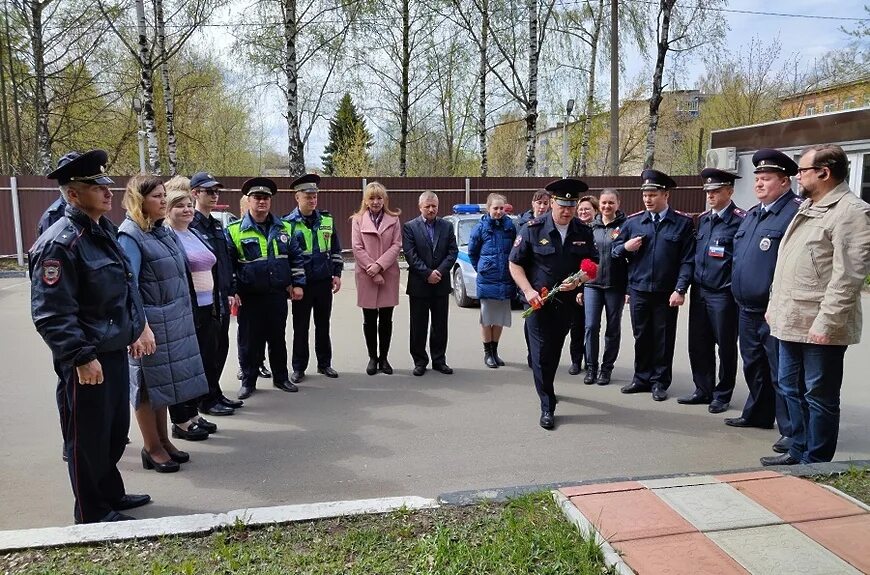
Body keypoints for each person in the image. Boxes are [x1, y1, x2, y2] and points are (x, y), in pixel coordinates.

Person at [30, 149, 150, 524]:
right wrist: (80, 356)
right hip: (88, 359)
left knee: (114, 433)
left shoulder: (104, 233)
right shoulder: (60, 243)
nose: (107, 191)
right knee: (87, 440)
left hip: (113, 350)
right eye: (95, 185)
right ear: (72, 193)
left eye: (106, 184)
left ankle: (111, 493)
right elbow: (51, 312)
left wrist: (133, 328)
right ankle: (92, 513)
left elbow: (124, 288)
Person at [761, 144, 870, 466]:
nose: (797, 176)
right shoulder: (809, 206)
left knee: (818, 394)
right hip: (790, 318)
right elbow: (789, 265)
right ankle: (797, 450)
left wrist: (827, 322)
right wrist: (773, 305)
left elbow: (848, 276)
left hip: (818, 323)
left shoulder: (852, 212)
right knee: (789, 387)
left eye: (802, 170)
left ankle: (817, 461)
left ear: (824, 173)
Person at [118, 176, 210, 469]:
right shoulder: (130, 235)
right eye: (156, 196)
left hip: (172, 320)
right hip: (149, 326)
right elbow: (128, 287)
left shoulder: (162, 231)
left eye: (162, 195)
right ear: (139, 201)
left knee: (163, 385)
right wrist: (139, 327)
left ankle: (164, 441)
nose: (162, 200)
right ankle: (151, 447)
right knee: (146, 387)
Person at [726, 149, 802, 455]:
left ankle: (790, 430)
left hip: (774, 309)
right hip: (747, 307)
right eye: (757, 178)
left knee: (781, 372)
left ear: (784, 182)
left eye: (766, 178)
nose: (758, 184)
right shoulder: (754, 213)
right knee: (754, 364)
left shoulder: (794, 213)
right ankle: (757, 414)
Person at [509, 178, 597, 430]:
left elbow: (594, 267)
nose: (567, 210)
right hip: (538, 303)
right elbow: (514, 263)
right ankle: (547, 404)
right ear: (551, 203)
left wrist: (579, 280)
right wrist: (527, 291)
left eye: (571, 205)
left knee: (554, 351)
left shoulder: (583, 231)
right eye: (562, 205)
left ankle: (547, 385)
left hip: (566, 304)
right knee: (541, 355)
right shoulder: (532, 228)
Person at [612, 169, 694, 402]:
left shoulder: (682, 223)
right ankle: (641, 378)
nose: (647, 199)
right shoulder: (633, 222)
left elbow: (687, 260)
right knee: (642, 335)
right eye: (645, 195)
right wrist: (626, 247)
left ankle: (659, 381)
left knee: (663, 337)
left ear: (665, 195)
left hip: (666, 292)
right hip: (639, 290)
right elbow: (615, 252)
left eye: (653, 194)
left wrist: (680, 289)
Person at [164, 185, 236, 439]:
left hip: (208, 308)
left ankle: (194, 413)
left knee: (202, 363)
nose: (186, 210)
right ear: (167, 210)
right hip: (187, 310)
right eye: (179, 206)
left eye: (186, 205)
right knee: (184, 367)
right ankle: (181, 420)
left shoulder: (192, 233)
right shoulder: (168, 235)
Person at [228, 178, 306, 399]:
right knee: (249, 341)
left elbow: (296, 258)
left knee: (277, 338)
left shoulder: (285, 227)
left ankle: (281, 378)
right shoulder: (234, 230)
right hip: (249, 296)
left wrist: (298, 284)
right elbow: (230, 265)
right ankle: (248, 381)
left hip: (276, 295)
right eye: (257, 197)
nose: (262, 201)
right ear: (249, 200)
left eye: (266, 198)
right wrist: (232, 290)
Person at [679, 169, 745, 414]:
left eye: (716, 191)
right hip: (700, 291)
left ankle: (723, 393)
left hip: (723, 294)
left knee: (725, 345)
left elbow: (741, 260)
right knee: (698, 343)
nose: (711, 195)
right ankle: (702, 389)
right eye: (708, 191)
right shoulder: (703, 219)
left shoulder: (741, 220)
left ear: (730, 191)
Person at [188, 171, 244, 413]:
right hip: (202, 301)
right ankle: (205, 400)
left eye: (216, 191)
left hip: (220, 297)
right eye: (208, 191)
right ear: (195, 194)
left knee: (221, 346)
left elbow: (225, 260)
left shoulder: (217, 225)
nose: (214, 195)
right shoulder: (190, 225)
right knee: (206, 351)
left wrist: (231, 289)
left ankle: (215, 392)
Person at [284, 174, 344, 383]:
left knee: (323, 325)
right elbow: (287, 258)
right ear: (297, 197)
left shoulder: (327, 219)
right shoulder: (288, 224)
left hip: (323, 281)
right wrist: (291, 283)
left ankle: (324, 363)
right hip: (302, 285)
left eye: (315, 196)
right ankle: (299, 367)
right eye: (308, 196)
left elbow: (335, 249)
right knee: (300, 327)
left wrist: (336, 273)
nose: (312, 200)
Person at [402, 191, 459, 376]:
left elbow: (452, 252)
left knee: (440, 325)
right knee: (418, 326)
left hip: (441, 284)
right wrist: (427, 273)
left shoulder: (447, 226)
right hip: (419, 284)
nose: (431, 209)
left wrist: (439, 272)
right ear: (420, 207)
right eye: (427, 206)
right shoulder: (410, 227)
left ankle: (439, 360)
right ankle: (420, 361)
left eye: (434, 205)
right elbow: (410, 255)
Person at [350, 182, 402, 375]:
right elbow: (357, 247)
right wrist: (372, 269)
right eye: (372, 198)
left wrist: (380, 266)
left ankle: (384, 358)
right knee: (369, 319)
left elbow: (396, 246)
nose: (376, 201)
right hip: (366, 275)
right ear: (365, 200)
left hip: (388, 274)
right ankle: (372, 357)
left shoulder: (394, 219)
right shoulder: (357, 220)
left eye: (379, 198)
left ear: (384, 200)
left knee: (386, 319)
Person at [583, 189, 628, 386]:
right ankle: (591, 367)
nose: (607, 206)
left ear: (618, 204)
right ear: (598, 205)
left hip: (615, 285)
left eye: (611, 203)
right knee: (591, 326)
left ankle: (606, 369)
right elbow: (580, 258)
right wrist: (578, 286)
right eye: (603, 203)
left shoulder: (627, 226)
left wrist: (629, 289)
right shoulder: (589, 227)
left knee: (612, 328)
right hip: (591, 285)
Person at [468, 193, 517, 368]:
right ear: (488, 209)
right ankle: (487, 353)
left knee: (499, 318)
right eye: (495, 208)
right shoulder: (480, 228)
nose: (498, 211)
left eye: (501, 208)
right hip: (488, 279)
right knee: (487, 318)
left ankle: (495, 351)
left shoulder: (510, 227)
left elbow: (514, 251)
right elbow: (473, 253)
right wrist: (482, 269)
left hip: (505, 279)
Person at [517, 189, 552, 367]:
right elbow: (514, 256)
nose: (542, 206)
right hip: (527, 280)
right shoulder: (523, 224)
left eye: (546, 203)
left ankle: (543, 355)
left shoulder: (552, 223)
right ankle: (533, 354)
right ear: (533, 204)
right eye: (539, 203)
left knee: (547, 322)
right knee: (531, 321)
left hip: (546, 280)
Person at [568, 195, 599, 376]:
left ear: (595, 210)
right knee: (577, 326)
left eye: (587, 209)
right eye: (580, 209)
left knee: (592, 326)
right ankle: (575, 360)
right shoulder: (574, 230)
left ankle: (591, 360)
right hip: (578, 285)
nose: (583, 212)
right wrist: (579, 287)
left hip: (597, 285)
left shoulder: (599, 229)